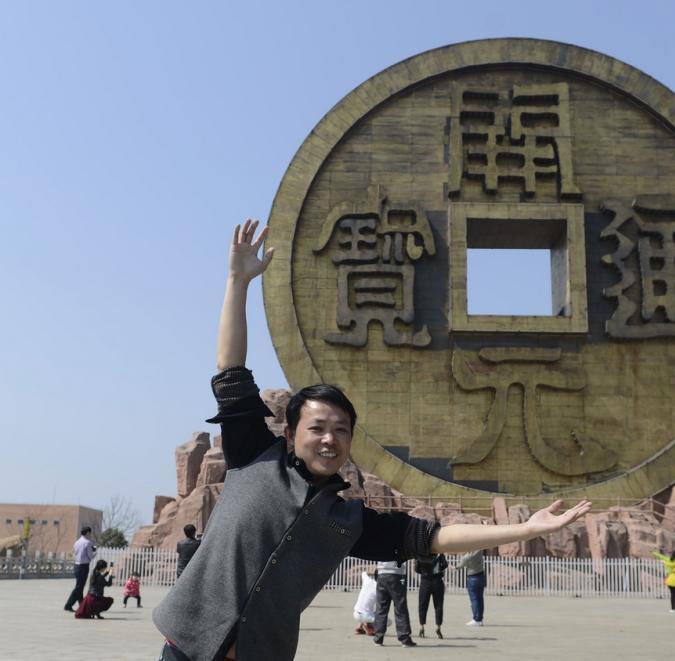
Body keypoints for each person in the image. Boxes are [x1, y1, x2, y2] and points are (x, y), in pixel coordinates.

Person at [152, 220, 593, 661]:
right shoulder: (255, 457)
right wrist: (237, 282)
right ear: (290, 433)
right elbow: (231, 371)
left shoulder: (349, 520)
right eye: (318, 427)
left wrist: (527, 528)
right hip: (187, 648)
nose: (330, 439)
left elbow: (435, 537)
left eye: (341, 430)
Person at [373, 560, 415, 647]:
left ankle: (378, 638)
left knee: (381, 608)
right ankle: (405, 638)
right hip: (397, 574)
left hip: (382, 574)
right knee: (400, 607)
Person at [415, 553, 448, 638]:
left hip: (425, 581)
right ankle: (438, 627)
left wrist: (424, 571)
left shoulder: (421, 555)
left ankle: (422, 626)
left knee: (422, 605)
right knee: (438, 606)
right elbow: (445, 565)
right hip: (437, 581)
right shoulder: (439, 554)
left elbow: (416, 569)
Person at [64, 526, 95, 612]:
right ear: (88, 533)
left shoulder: (77, 542)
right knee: (79, 587)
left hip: (76, 565)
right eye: (90, 533)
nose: (90, 535)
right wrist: (94, 552)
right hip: (83, 566)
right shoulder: (88, 542)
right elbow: (90, 555)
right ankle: (68, 605)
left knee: (79, 586)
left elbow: (75, 553)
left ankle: (82, 605)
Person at [457, 548, 486, 626]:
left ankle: (476, 619)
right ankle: (480, 618)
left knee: (474, 599)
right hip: (481, 576)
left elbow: (460, 565)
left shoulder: (467, 557)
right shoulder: (480, 551)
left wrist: (454, 567)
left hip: (472, 578)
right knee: (480, 599)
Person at [352, 569, 377, 636]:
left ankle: (359, 627)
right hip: (366, 616)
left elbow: (364, 572)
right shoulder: (380, 588)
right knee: (389, 622)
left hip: (356, 613)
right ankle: (368, 626)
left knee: (366, 609)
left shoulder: (367, 580)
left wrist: (375, 573)